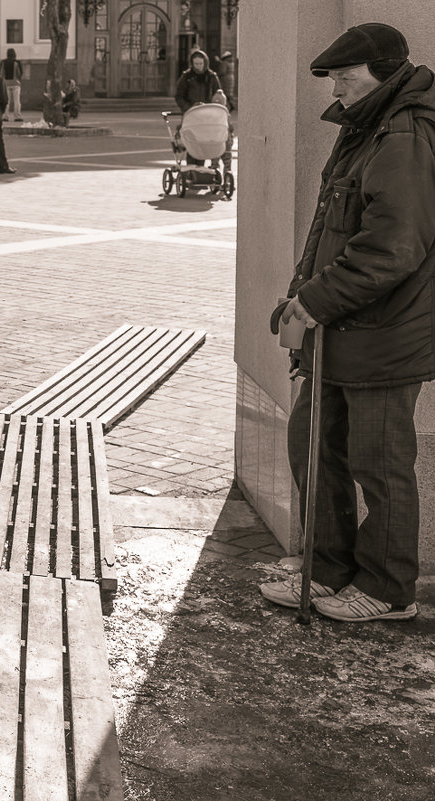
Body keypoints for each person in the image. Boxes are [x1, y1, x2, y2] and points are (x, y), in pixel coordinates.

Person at [261, 22, 435, 622]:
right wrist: (297, 297)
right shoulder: (368, 127)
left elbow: (393, 246)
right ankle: (328, 569)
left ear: (383, 72)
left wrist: (312, 303)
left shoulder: (403, 137)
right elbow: (330, 231)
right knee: (314, 444)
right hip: (343, 330)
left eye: (345, 74)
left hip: (383, 335)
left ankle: (388, 591)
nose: (335, 86)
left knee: (378, 465)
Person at [174, 49, 223, 166]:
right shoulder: (187, 77)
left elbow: (219, 94)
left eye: (200, 64)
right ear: (192, 63)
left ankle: (202, 168)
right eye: (196, 64)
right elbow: (179, 96)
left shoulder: (211, 77)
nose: (198, 67)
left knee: (205, 141)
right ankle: (192, 169)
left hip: (207, 115)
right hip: (191, 113)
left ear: (205, 63)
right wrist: (187, 108)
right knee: (192, 141)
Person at [0, 48, 24, 121]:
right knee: (17, 101)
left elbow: (1, 73)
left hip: (6, 84)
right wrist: (19, 80)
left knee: (7, 101)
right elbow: (20, 73)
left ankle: (5, 116)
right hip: (16, 83)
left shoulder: (3, 62)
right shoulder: (17, 62)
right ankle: (17, 116)